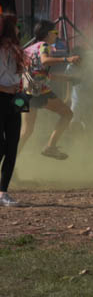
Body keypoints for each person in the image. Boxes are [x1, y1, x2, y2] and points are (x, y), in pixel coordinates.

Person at [19, 20, 80, 160]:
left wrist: (67, 79)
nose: (57, 35)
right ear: (48, 34)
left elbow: (39, 73)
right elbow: (45, 61)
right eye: (55, 32)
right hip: (39, 92)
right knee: (67, 114)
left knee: (26, 131)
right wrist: (67, 59)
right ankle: (50, 146)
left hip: (24, 93)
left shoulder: (29, 49)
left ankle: (9, 162)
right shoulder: (44, 46)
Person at [0, 14, 24, 207]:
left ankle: (3, 192)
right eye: (15, 27)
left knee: (12, 146)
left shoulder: (17, 50)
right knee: (1, 145)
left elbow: (19, 74)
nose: (18, 30)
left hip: (16, 99)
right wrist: (5, 89)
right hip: (1, 98)